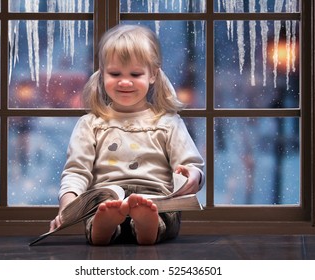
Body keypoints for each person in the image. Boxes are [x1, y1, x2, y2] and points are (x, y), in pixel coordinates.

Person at [49, 24, 205, 245]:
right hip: (107, 199)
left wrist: (191, 176)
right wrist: (66, 207)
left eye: (135, 73)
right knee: (99, 210)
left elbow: (192, 165)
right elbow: (76, 172)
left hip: (156, 199)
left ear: (153, 75)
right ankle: (103, 228)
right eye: (115, 74)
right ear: (102, 74)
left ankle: (148, 226)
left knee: (162, 212)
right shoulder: (91, 124)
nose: (124, 81)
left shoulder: (168, 123)